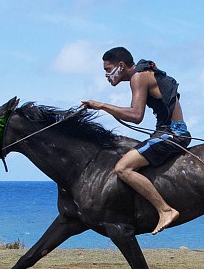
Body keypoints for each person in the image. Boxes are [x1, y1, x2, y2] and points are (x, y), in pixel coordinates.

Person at [80, 47, 191, 234]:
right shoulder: (144, 72)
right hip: (166, 130)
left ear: (121, 66)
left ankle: (165, 210)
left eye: (108, 70)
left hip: (172, 133)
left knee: (122, 168)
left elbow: (136, 115)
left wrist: (102, 105)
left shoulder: (138, 77)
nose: (107, 76)